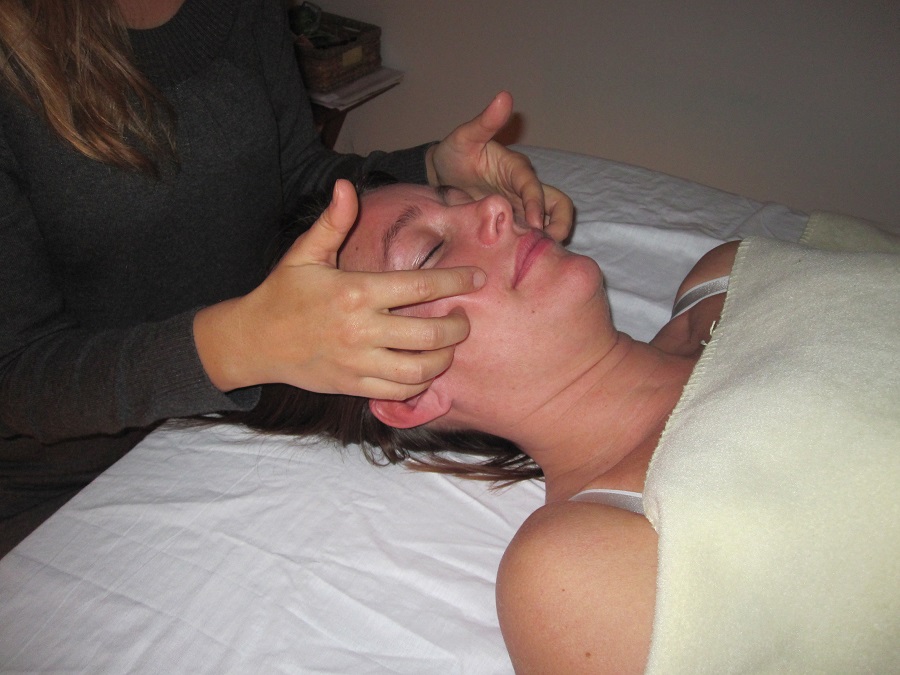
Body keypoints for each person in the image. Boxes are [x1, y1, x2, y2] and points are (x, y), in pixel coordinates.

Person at [229, 176, 899, 673]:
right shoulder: (574, 568)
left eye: (458, 197)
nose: (493, 207)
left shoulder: (725, 274)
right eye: (428, 250)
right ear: (411, 393)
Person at [0, 0, 574, 556]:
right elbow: (15, 372)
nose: (494, 210)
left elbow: (293, 174)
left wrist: (429, 169)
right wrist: (240, 345)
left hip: (229, 408)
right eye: (427, 252)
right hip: (61, 482)